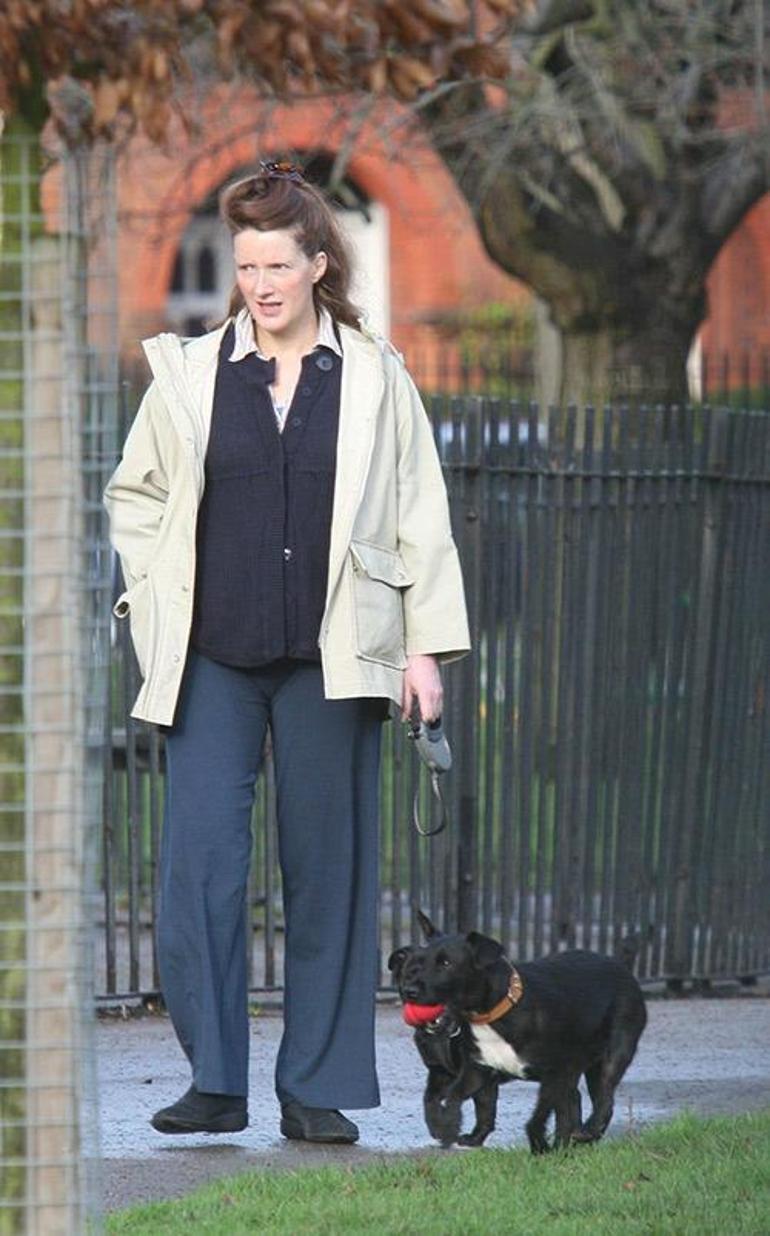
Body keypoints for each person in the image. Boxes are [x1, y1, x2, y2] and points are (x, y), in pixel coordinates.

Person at [103, 161, 470, 1144]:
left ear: (317, 265)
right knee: (202, 871)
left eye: (277, 264)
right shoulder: (189, 374)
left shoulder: (376, 376)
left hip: (333, 657)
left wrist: (422, 651)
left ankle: (315, 1088)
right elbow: (136, 496)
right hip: (211, 657)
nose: (260, 283)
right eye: (247, 265)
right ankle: (215, 1083)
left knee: (328, 873)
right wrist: (153, 594)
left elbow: (420, 513)